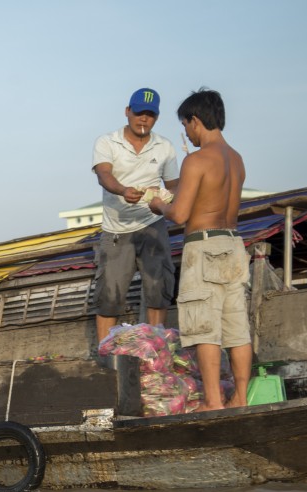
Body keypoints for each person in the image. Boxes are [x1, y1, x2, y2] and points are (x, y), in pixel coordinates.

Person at [150, 89, 250, 411]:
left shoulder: (197, 160)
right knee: (236, 328)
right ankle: (240, 398)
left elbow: (179, 214)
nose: (187, 133)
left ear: (195, 120)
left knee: (204, 325)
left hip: (203, 245)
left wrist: (157, 205)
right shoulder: (236, 159)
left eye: (185, 125)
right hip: (233, 243)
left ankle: (212, 401)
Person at [92, 88, 180, 344]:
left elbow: (175, 185)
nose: (144, 119)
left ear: (156, 118)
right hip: (116, 230)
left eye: (150, 115)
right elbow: (104, 174)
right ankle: (105, 352)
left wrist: (163, 198)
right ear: (127, 112)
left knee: (159, 288)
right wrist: (122, 190)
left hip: (153, 224)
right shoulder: (107, 142)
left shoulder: (165, 147)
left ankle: (157, 352)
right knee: (110, 294)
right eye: (139, 112)